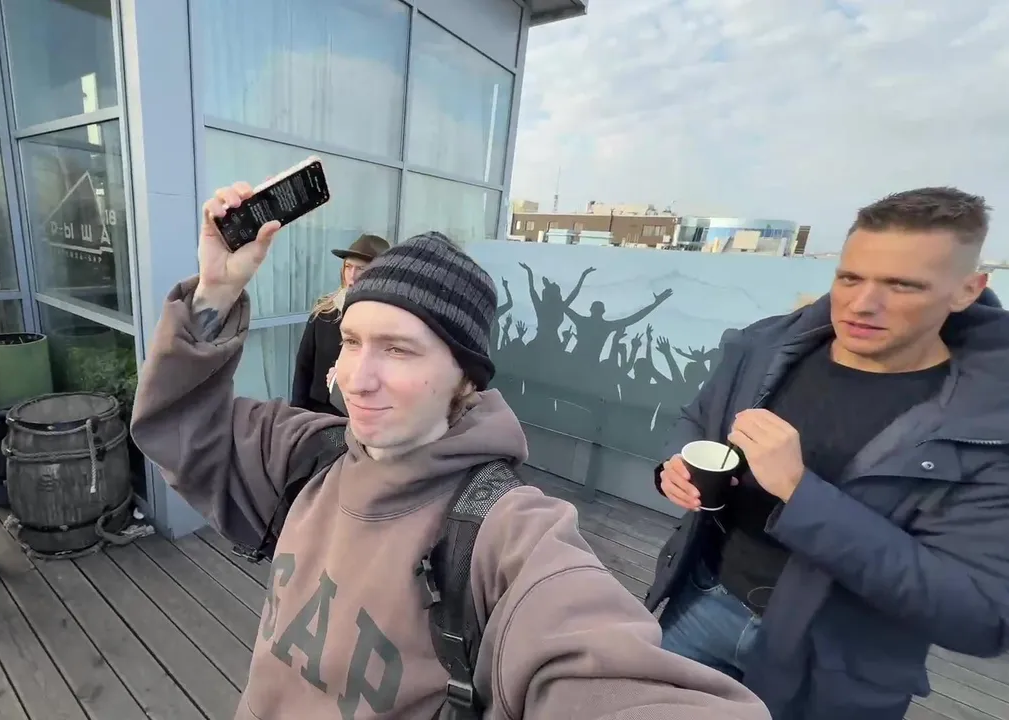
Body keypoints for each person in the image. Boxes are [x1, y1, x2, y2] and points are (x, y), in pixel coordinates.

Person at [130, 180, 770, 719]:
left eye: (398, 349)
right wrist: (215, 293)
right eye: (351, 341)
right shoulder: (308, 457)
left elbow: (604, 667)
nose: (356, 378)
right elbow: (178, 425)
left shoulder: (504, 533)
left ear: (466, 378)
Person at [648, 186, 1009, 720]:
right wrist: (676, 465)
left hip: (835, 666)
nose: (863, 304)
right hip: (698, 601)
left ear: (967, 291)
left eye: (902, 285)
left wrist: (801, 494)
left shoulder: (989, 424)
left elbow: (981, 617)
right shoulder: (766, 348)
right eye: (850, 278)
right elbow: (700, 419)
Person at [291, 233, 389, 414]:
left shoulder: (390, 320)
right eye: (348, 266)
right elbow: (304, 364)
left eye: (361, 268)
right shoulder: (325, 309)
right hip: (318, 410)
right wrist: (296, 413)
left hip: (361, 414)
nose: (352, 275)